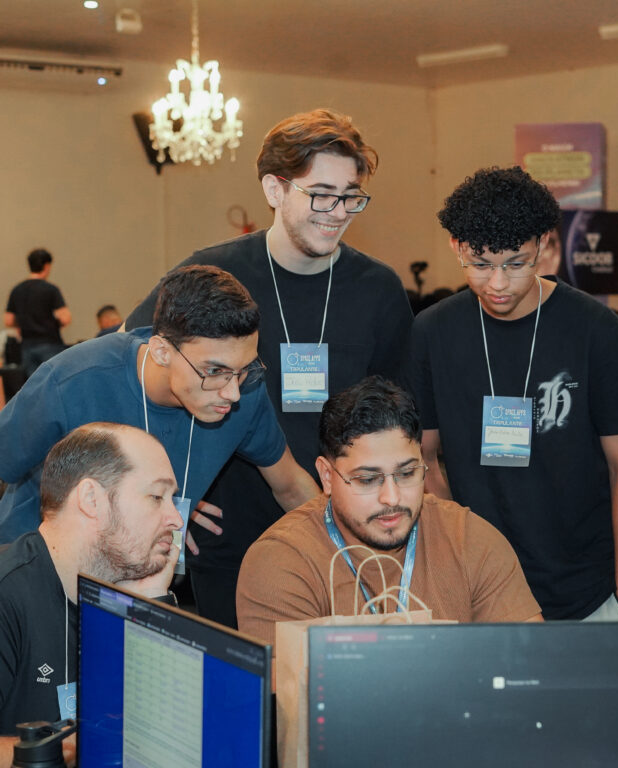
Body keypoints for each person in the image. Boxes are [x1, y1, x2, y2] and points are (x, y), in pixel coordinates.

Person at [125, 108, 412, 626]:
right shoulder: (213, 272)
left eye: (350, 196)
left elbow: (395, 419)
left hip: (341, 536)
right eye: (320, 193)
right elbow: (132, 368)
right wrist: (166, 489)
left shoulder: (379, 290)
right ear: (275, 189)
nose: (337, 211)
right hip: (227, 534)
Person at [401, 166, 618, 620]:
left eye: (516, 264)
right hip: (480, 591)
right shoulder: (432, 331)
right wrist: (460, 558)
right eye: (481, 264)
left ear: (543, 244)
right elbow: (424, 459)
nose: (498, 283)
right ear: (456, 247)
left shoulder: (595, 328)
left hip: (586, 589)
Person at [0, 265, 319, 623]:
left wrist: (344, 555)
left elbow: (291, 485)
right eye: (214, 372)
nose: (232, 392)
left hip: (135, 583)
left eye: (244, 369)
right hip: (37, 580)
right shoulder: (74, 380)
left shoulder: (244, 391)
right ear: (162, 352)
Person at [236, 376, 542, 648]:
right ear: (327, 476)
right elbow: (290, 690)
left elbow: (529, 666)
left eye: (407, 474)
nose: (392, 498)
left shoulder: (470, 540)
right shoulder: (281, 561)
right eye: (367, 479)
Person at [0, 422, 183, 766]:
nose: (176, 519)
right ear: (91, 500)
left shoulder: (129, 590)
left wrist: (148, 608)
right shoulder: (7, 594)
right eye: (157, 497)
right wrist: (77, 747)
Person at [4, 248, 71, 378]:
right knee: (54, 379)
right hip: (50, 343)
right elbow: (65, 318)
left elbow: (8, 320)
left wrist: (24, 322)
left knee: (34, 382)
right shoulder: (50, 289)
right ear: (46, 266)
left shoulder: (17, 290)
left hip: (26, 346)